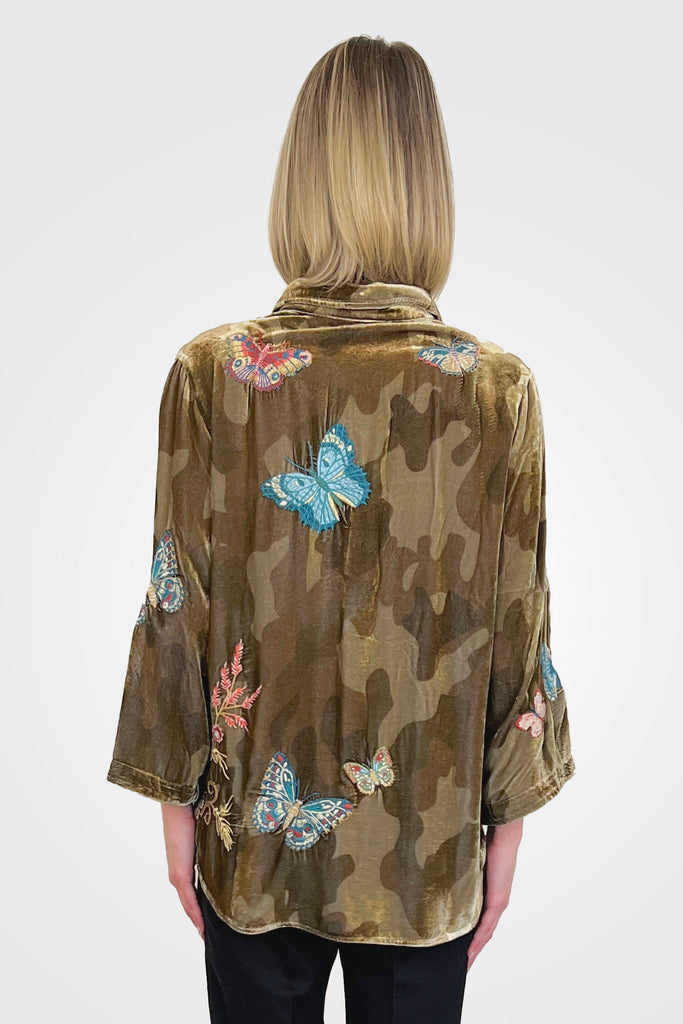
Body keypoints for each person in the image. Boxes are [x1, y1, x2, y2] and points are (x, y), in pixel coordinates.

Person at [107, 34, 575, 1024]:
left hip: (252, 836)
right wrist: (507, 827)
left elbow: (176, 601)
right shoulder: (495, 392)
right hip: (424, 847)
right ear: (428, 188)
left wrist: (171, 802)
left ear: (299, 180)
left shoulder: (214, 375)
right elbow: (518, 625)